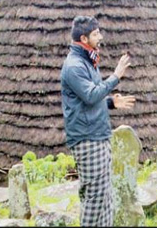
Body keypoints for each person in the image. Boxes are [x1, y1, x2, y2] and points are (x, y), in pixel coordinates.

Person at [61, 16, 134, 227]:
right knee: (94, 197)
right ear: (84, 38)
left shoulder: (88, 61)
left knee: (105, 196)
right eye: (96, 33)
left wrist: (111, 103)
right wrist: (116, 76)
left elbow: (89, 100)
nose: (100, 36)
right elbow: (91, 95)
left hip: (98, 133)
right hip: (87, 138)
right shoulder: (75, 65)